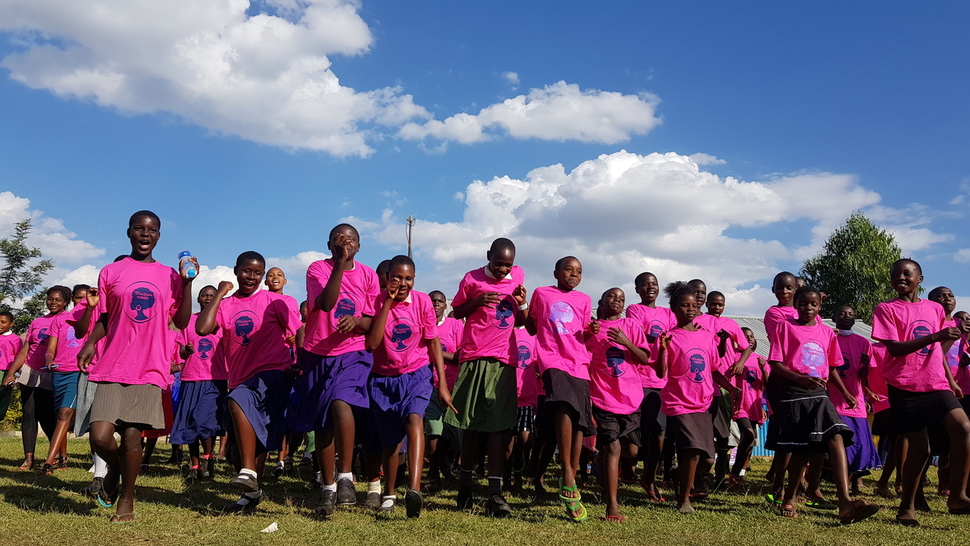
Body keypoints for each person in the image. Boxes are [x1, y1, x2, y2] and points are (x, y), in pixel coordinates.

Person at [76, 210, 197, 523]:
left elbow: (181, 321)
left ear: (159, 236)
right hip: (113, 362)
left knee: (132, 437)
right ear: (128, 232)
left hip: (149, 366)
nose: (146, 235)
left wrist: (187, 285)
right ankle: (114, 468)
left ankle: (126, 501)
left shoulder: (170, 275)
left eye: (152, 230)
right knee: (100, 435)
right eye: (139, 229)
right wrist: (90, 343)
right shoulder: (111, 272)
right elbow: (104, 317)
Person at [196, 251, 302, 513]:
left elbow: (298, 329)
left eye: (257, 273)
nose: (251, 277)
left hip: (274, 373)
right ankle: (253, 491)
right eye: (247, 271)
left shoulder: (274, 302)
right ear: (236, 271)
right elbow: (201, 329)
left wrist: (299, 361)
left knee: (237, 400)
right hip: (241, 377)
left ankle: (247, 471)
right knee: (241, 445)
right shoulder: (227, 305)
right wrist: (220, 294)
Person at [766, 285, 878, 524]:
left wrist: (846, 392)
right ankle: (790, 498)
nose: (808, 308)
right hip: (794, 392)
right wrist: (799, 378)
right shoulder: (785, 328)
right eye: (803, 303)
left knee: (836, 435)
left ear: (820, 307)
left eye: (813, 304)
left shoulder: (827, 333)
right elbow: (775, 363)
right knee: (801, 449)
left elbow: (833, 367)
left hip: (820, 393)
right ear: (795, 305)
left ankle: (845, 501)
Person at [871, 259, 970, 526]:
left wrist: (952, 341)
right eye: (895, 275)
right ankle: (907, 508)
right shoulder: (886, 309)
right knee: (920, 449)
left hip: (936, 383)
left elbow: (939, 350)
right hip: (904, 386)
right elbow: (894, 349)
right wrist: (934, 337)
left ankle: (957, 495)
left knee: (962, 427)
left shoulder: (934, 308)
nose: (900, 278)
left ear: (920, 279)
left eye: (906, 274)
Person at [364, 255, 455, 517]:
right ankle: (390, 494)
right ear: (388, 277)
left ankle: (414, 489)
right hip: (383, 379)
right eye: (397, 278)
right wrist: (388, 303)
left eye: (409, 279)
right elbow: (372, 343)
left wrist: (443, 384)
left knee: (415, 421)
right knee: (391, 443)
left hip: (416, 374)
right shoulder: (378, 301)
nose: (403, 283)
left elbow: (433, 343)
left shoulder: (423, 301)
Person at [298, 224, 380, 515]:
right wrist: (340, 266)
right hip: (318, 353)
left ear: (359, 246)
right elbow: (327, 302)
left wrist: (358, 322)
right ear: (329, 245)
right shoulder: (317, 269)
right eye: (338, 241)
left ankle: (346, 476)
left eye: (351, 241)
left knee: (341, 402)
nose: (345, 244)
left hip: (353, 353)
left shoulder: (369, 275)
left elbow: (373, 319)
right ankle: (329, 488)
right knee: (323, 423)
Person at [445, 238, 528, 517]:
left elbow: (519, 320)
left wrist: (522, 303)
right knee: (470, 425)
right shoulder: (471, 279)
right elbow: (456, 312)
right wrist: (478, 301)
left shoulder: (518, 276)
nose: (504, 269)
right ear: (488, 257)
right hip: (474, 356)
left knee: (499, 429)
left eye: (508, 264)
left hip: (504, 359)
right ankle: (465, 488)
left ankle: (495, 493)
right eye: (498, 263)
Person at [525, 256, 593, 522]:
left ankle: (570, 481)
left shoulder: (585, 300)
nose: (574, 274)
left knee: (579, 421)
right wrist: (521, 303)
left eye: (578, 271)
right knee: (564, 405)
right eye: (568, 269)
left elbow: (583, 333)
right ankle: (566, 471)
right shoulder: (542, 293)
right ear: (556, 272)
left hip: (579, 363)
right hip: (552, 358)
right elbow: (531, 327)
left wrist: (592, 331)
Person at [586, 287, 652, 522]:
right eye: (612, 297)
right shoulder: (591, 329)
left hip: (631, 398)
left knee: (632, 451)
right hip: (602, 397)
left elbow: (645, 358)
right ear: (600, 301)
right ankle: (612, 505)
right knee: (612, 447)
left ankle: (600, 464)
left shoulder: (632, 326)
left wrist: (626, 341)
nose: (617, 300)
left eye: (621, 299)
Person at [655, 283, 720, 514]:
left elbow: (714, 367)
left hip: (703, 402)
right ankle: (684, 500)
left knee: (707, 460)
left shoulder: (707, 336)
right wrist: (662, 350)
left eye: (694, 305)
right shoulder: (669, 337)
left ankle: (677, 473)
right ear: (673, 308)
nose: (690, 309)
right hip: (678, 402)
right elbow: (661, 372)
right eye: (684, 305)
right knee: (692, 449)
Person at [2, 286, 68, 471]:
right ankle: (28, 459)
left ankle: (57, 456)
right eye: (50, 299)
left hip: (51, 373)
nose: (53, 302)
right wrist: (11, 372)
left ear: (65, 303)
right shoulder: (37, 321)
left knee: (47, 416)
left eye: (58, 300)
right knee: (29, 414)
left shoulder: (68, 321)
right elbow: (25, 350)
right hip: (30, 370)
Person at [171, 285, 228, 484]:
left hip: (215, 379)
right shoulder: (188, 323)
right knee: (189, 424)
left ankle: (208, 457)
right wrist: (186, 351)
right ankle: (194, 466)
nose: (208, 298)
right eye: (205, 295)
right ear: (198, 299)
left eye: (212, 296)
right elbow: (180, 354)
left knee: (205, 422)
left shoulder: (222, 322)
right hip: (190, 379)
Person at [625, 271, 672, 501]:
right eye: (645, 284)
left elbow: (674, 337)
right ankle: (627, 465)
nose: (650, 287)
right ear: (637, 289)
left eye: (653, 284)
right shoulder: (634, 310)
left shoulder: (667, 313)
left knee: (660, 434)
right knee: (636, 434)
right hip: (640, 378)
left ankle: (649, 477)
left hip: (661, 380)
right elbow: (638, 336)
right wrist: (661, 341)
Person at [827, 305, 880, 496]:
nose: (846, 316)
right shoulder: (829, 338)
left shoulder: (864, 343)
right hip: (835, 401)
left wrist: (865, 372)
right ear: (833, 317)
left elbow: (863, 376)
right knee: (844, 445)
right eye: (842, 313)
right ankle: (845, 485)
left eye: (850, 314)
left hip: (855, 401)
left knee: (861, 445)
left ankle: (858, 482)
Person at [39, 284, 90, 474]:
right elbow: (50, 349)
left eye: (86, 297)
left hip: (77, 373)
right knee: (60, 416)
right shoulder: (60, 321)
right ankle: (63, 458)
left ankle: (48, 462)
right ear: (72, 300)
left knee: (64, 414)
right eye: (78, 297)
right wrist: (49, 359)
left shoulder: (93, 321)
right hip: (58, 372)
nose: (82, 301)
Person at [424, 289, 463, 492]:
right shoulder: (422, 325)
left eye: (439, 301)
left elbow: (460, 355)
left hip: (453, 385)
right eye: (432, 300)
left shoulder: (456, 325)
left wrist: (435, 352)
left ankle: (447, 468)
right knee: (433, 431)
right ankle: (433, 474)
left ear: (445, 305)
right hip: (428, 384)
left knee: (455, 434)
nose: (436, 304)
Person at [729, 327, 767, 489]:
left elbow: (766, 385)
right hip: (740, 405)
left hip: (755, 406)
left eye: (751, 336)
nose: (749, 339)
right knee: (748, 435)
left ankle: (736, 474)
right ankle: (734, 472)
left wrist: (764, 368)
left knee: (749, 442)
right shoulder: (733, 357)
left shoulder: (760, 359)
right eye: (745, 337)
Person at [0, 311, 23, 420]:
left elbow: (19, 355)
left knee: (4, 397)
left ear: (11, 324)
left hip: (6, 371)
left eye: (3, 322)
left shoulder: (15, 339)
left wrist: (15, 373)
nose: (0, 324)